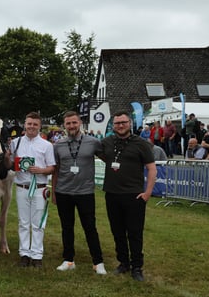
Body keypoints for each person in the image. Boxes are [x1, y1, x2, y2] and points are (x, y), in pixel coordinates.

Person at [102, 111, 156, 282]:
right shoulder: (107, 142)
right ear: (113, 125)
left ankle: (137, 267)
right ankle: (123, 263)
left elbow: (152, 169)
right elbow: (100, 156)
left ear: (129, 123)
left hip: (134, 196)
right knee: (117, 232)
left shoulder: (141, 143)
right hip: (112, 194)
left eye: (123, 122)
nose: (120, 125)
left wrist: (147, 193)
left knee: (134, 233)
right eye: (117, 123)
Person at [52, 111, 107, 274]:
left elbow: (107, 159)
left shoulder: (93, 142)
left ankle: (98, 262)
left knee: (90, 227)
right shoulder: (58, 145)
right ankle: (68, 260)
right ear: (64, 126)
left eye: (74, 123)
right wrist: (54, 191)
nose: (71, 126)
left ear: (80, 123)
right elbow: (55, 170)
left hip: (85, 192)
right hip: (63, 191)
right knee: (66, 227)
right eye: (68, 123)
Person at [7, 112, 56, 268]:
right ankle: (24, 254)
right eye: (29, 124)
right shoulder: (16, 143)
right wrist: (8, 156)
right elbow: (9, 164)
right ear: (24, 125)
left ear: (39, 126)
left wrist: (40, 170)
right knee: (23, 223)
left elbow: (52, 168)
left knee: (38, 223)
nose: (31, 127)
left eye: (35, 124)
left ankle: (37, 255)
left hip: (39, 188)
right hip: (22, 187)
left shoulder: (47, 145)